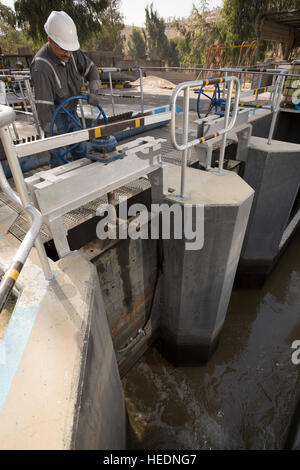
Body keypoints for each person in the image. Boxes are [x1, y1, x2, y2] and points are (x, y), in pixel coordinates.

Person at [30, 10, 102, 168]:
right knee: (58, 157)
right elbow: (43, 104)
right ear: (50, 40)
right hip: (55, 117)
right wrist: (50, 130)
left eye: (70, 49)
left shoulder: (72, 52)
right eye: (63, 49)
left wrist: (94, 89)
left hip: (72, 112)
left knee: (81, 148)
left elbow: (91, 68)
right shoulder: (42, 67)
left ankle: (85, 179)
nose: (68, 54)